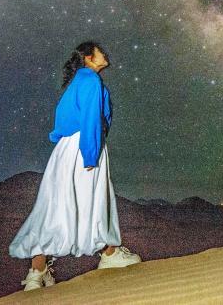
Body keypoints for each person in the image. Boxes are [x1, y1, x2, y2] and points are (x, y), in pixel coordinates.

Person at [8, 41, 141, 291]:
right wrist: (90, 154)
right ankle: (110, 254)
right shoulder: (91, 80)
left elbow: (62, 122)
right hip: (84, 146)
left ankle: (37, 272)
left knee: (55, 206)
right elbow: (91, 118)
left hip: (66, 149)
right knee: (93, 199)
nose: (105, 53)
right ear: (89, 58)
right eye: (100, 51)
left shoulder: (77, 82)